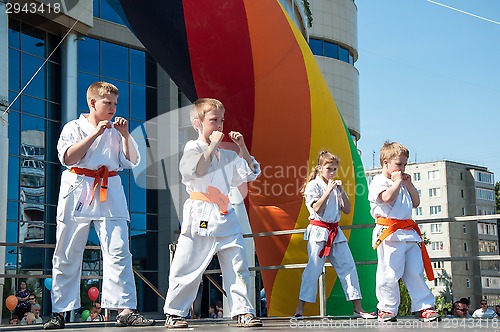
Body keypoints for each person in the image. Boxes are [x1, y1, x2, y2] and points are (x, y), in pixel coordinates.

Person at [43, 81, 154, 330]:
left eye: (115, 103)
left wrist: (125, 135)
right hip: (78, 186)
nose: (113, 108)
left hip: (110, 189)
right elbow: (67, 157)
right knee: (68, 250)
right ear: (92, 102)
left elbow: (131, 161)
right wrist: (95, 134)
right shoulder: (74, 127)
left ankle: (124, 309)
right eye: (108, 103)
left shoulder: (117, 131)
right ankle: (60, 311)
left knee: (119, 250)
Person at [163, 98, 262, 328]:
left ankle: (243, 310)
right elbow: (197, 170)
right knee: (188, 264)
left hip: (226, 215)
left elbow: (250, 173)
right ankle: (175, 312)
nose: (219, 125)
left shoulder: (228, 156)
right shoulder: (193, 147)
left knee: (238, 264)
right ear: (198, 123)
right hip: (200, 214)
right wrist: (212, 146)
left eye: (222, 120)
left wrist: (243, 148)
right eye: (213, 120)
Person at [294, 151, 376, 319]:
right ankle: (300, 309)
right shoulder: (313, 186)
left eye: (334, 169)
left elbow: (347, 209)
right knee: (313, 269)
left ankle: (358, 308)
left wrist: (341, 190)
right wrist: (328, 190)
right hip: (318, 232)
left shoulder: (335, 186)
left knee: (348, 266)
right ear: (319, 168)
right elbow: (317, 208)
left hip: (335, 232)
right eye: (328, 168)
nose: (332, 172)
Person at [368, 142, 439, 322]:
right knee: (389, 273)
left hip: (408, 233)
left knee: (415, 271)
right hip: (390, 233)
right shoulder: (379, 181)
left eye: (404, 165)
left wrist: (408, 184)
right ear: (385, 163)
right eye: (398, 164)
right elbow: (385, 198)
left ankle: (424, 306)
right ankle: (387, 308)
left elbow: (415, 202)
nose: (402, 168)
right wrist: (398, 181)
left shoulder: (403, 182)